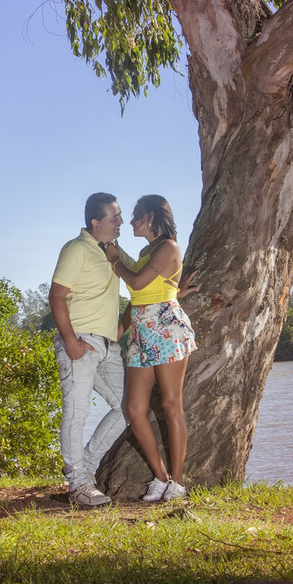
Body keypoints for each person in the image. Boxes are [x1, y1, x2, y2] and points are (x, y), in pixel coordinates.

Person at [105, 194, 196, 502]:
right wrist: (121, 329)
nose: (131, 222)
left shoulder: (169, 247)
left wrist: (115, 260)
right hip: (142, 330)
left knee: (171, 405)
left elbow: (140, 283)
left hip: (166, 329)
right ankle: (161, 476)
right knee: (134, 408)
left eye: (137, 216)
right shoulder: (146, 250)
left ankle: (178, 483)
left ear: (153, 217)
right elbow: (138, 298)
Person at [49, 192, 135, 506]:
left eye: (121, 215)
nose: (121, 222)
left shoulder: (113, 251)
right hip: (79, 341)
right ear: (96, 222)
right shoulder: (76, 249)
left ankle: (84, 467)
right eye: (115, 217)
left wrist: (119, 331)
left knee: (128, 408)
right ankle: (78, 485)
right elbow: (56, 296)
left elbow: (140, 283)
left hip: (108, 345)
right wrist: (70, 340)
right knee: (77, 413)